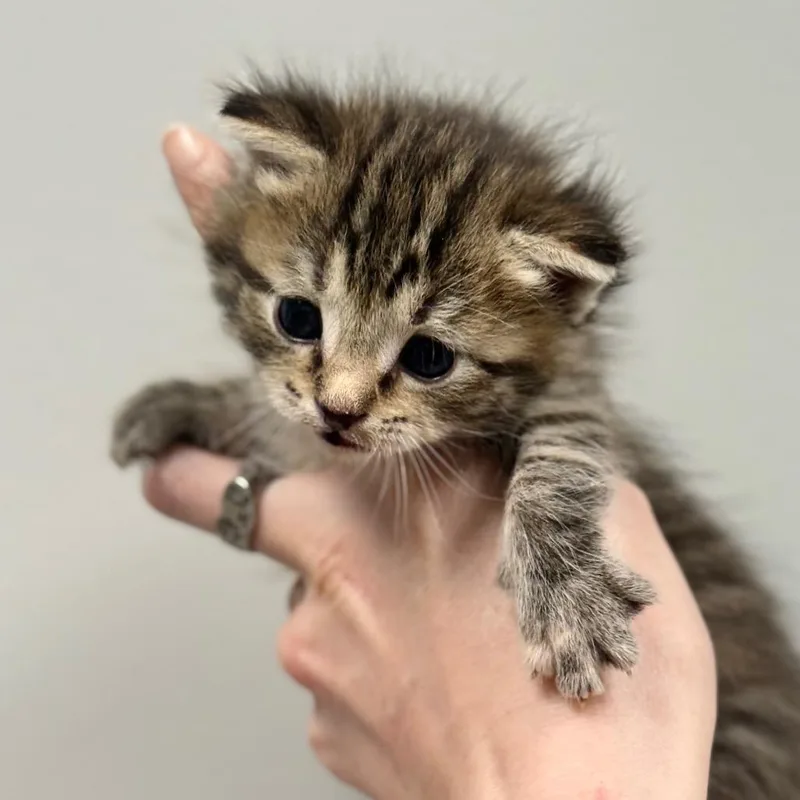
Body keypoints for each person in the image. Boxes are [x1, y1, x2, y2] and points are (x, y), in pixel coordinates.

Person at [142, 125, 717, 799]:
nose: (341, 397)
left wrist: (553, 535)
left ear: (561, 295)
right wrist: (230, 410)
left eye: (427, 358)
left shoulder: (554, 391)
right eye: (302, 319)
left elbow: (567, 419)